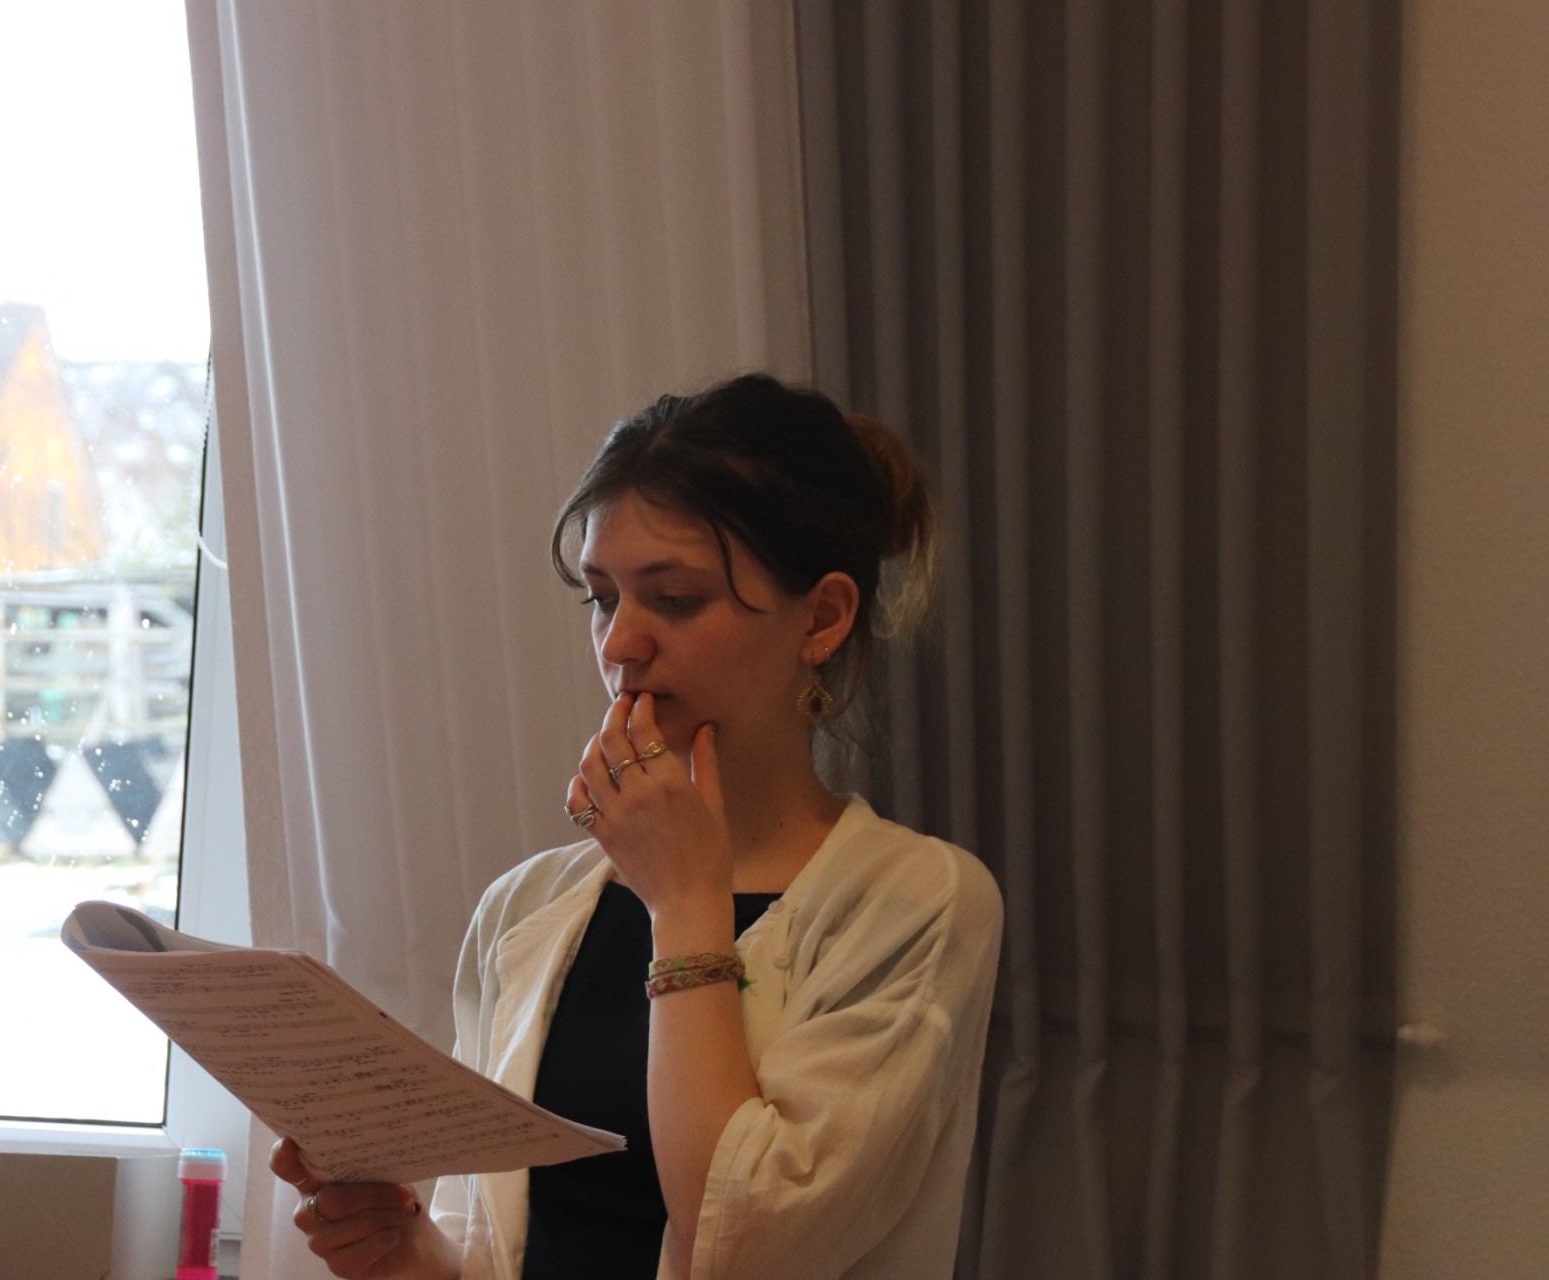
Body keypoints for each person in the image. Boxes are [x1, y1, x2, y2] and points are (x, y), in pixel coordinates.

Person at [271, 374, 1003, 1280]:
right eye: (602, 598)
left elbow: (745, 1246)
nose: (620, 644)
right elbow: (499, 1246)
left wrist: (688, 900)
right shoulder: (525, 907)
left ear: (821, 618)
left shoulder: (915, 900)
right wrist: (407, 1251)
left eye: (676, 598)